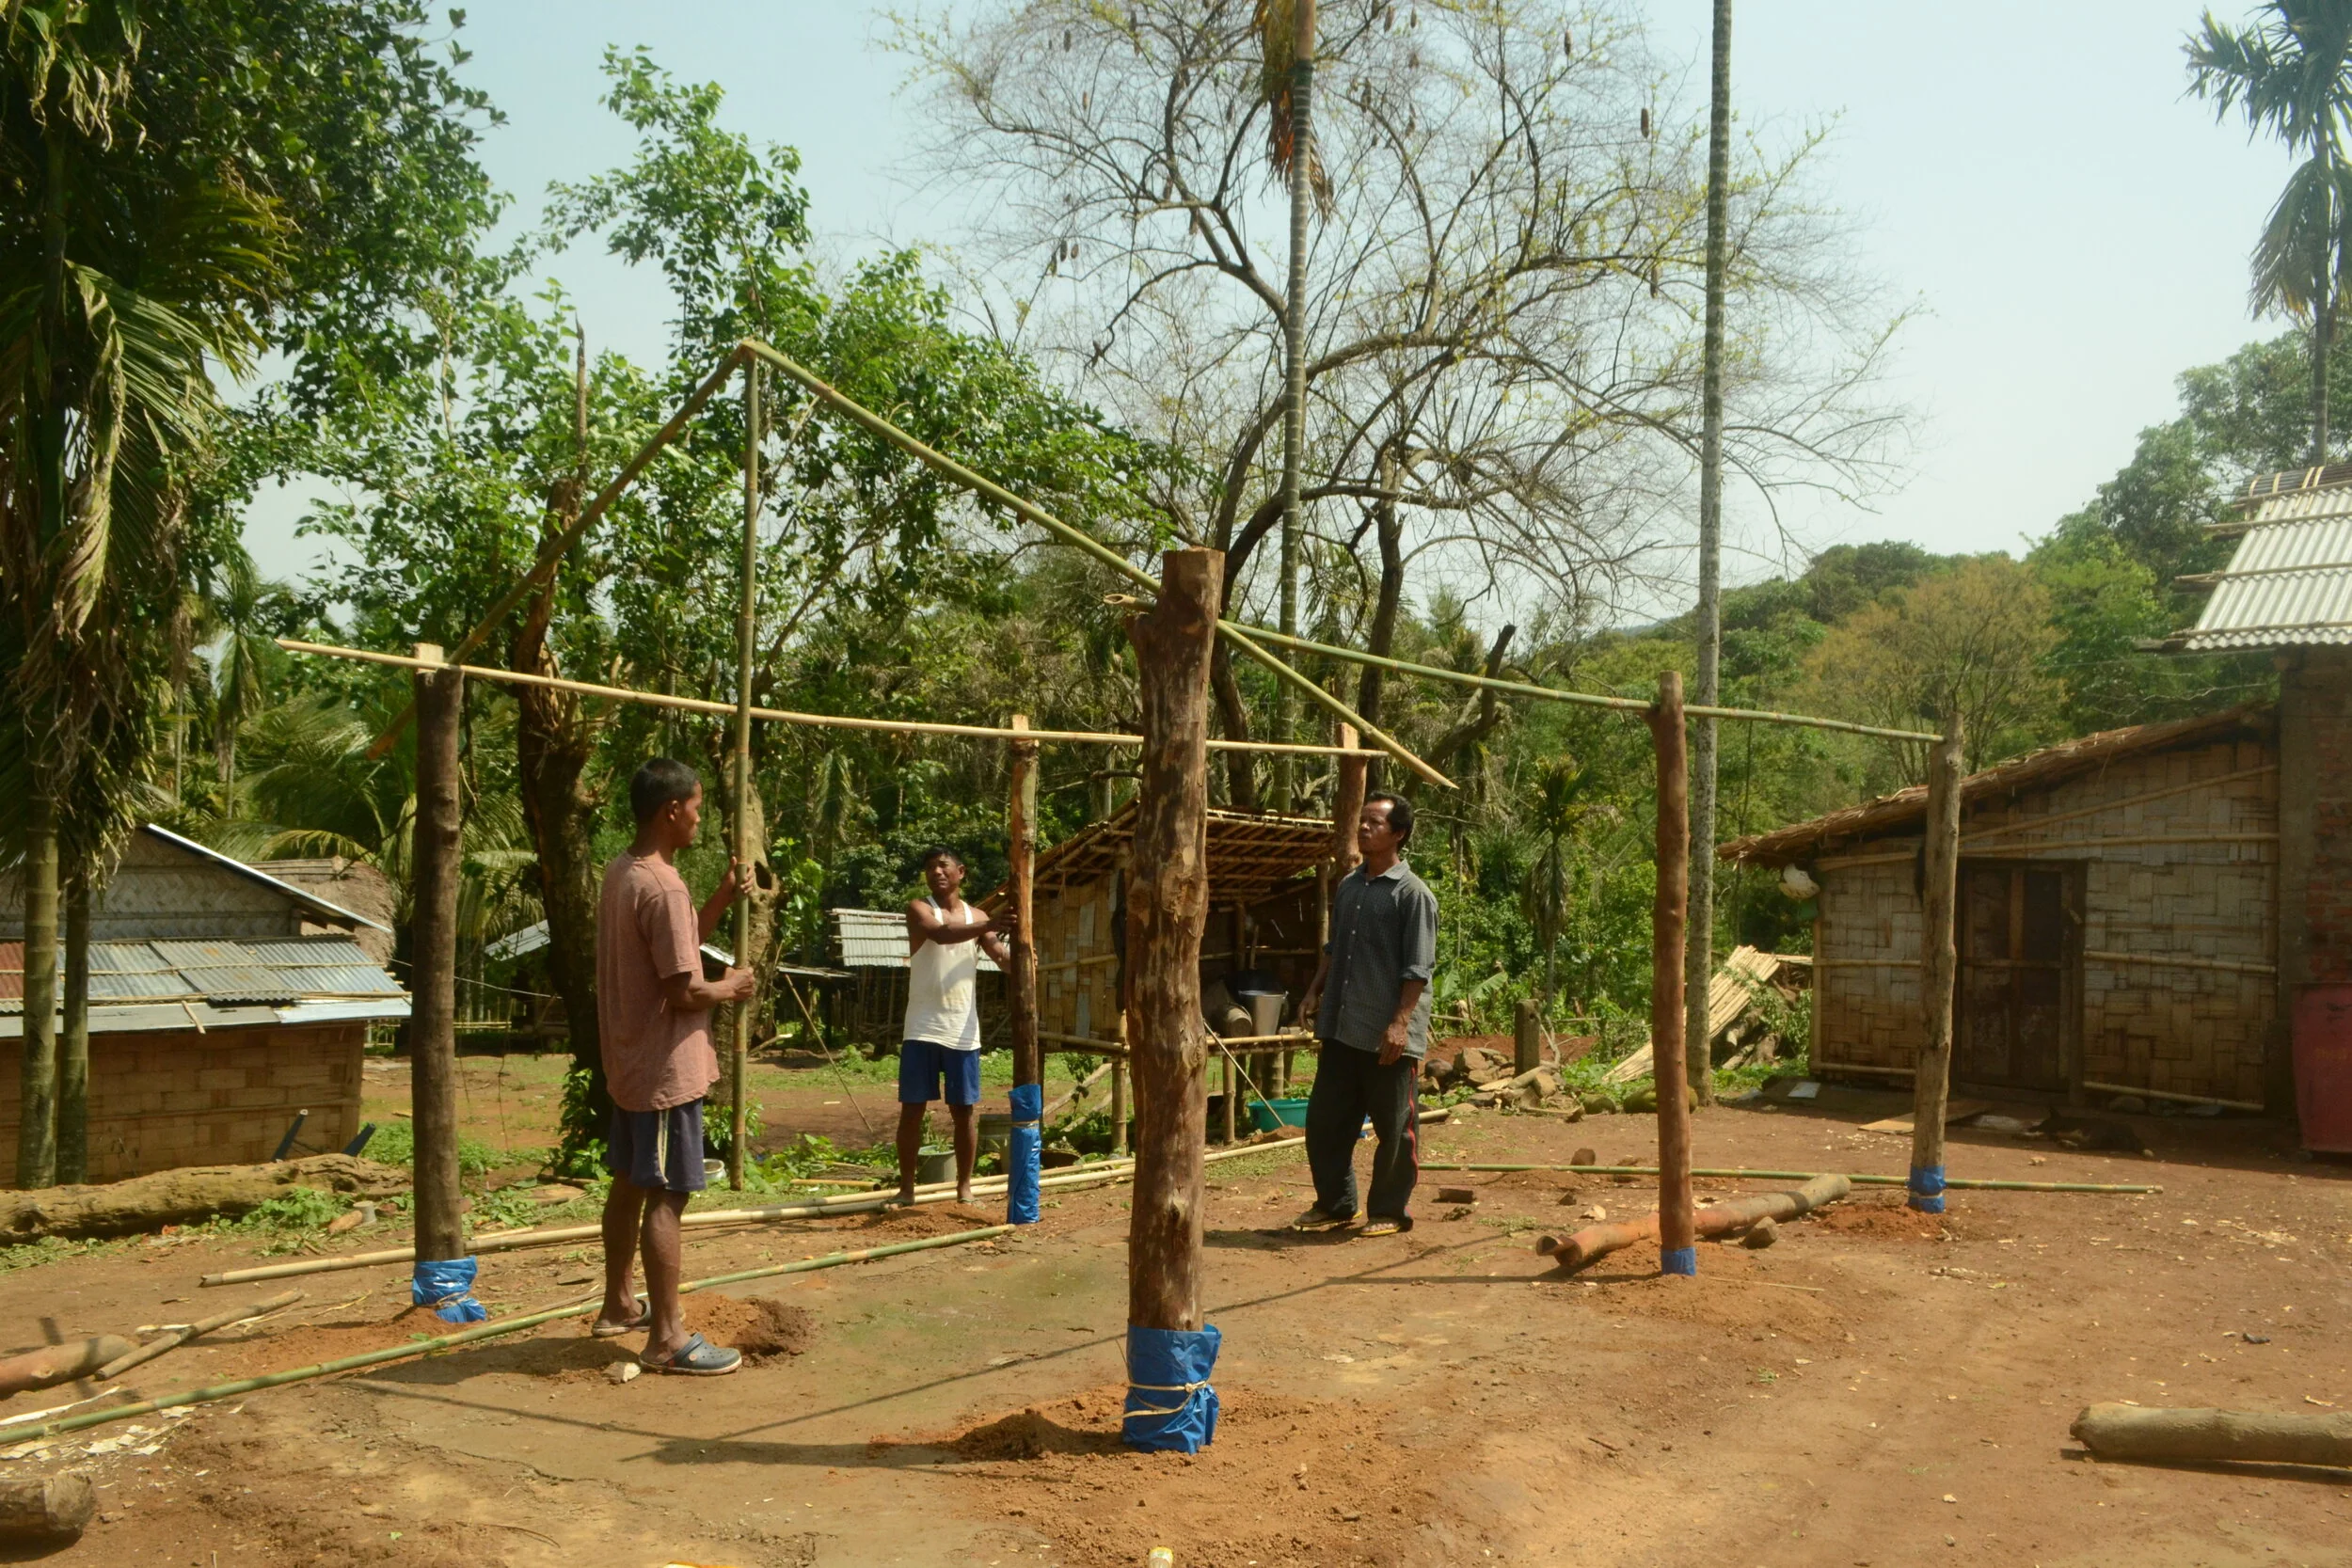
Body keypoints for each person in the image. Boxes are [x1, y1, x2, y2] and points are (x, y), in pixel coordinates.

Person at [593, 757, 758, 1374]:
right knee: (667, 1191)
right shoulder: (663, 886)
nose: (699, 815)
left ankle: (618, 1301)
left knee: (633, 1178)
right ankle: (666, 1337)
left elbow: (675, 942)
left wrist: (720, 895)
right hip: (665, 1069)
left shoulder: (626, 873)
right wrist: (732, 984)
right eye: (695, 805)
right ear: (671, 810)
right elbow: (685, 986)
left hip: (631, 1060)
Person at [1290, 792, 1438, 1238]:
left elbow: (1418, 968)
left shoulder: (1413, 895)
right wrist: (1314, 991)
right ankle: (1335, 1204)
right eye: (1363, 821)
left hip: (1386, 1034)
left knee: (1395, 1129)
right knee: (1325, 1122)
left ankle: (1390, 1211)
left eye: (1375, 822)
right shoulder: (1350, 885)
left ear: (1398, 834)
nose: (1364, 828)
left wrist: (1399, 1025)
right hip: (1341, 1026)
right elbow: (1334, 949)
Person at [898, 846, 1014, 1205]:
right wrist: (992, 923)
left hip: (963, 1031)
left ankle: (964, 1188)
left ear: (961, 872)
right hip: (921, 1027)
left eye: (944, 866)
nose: (937, 872)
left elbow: (1000, 957)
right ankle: (907, 1190)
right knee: (913, 1109)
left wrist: (1021, 958)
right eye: (931, 868)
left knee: (964, 1112)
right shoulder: (920, 909)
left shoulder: (976, 915)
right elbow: (941, 933)